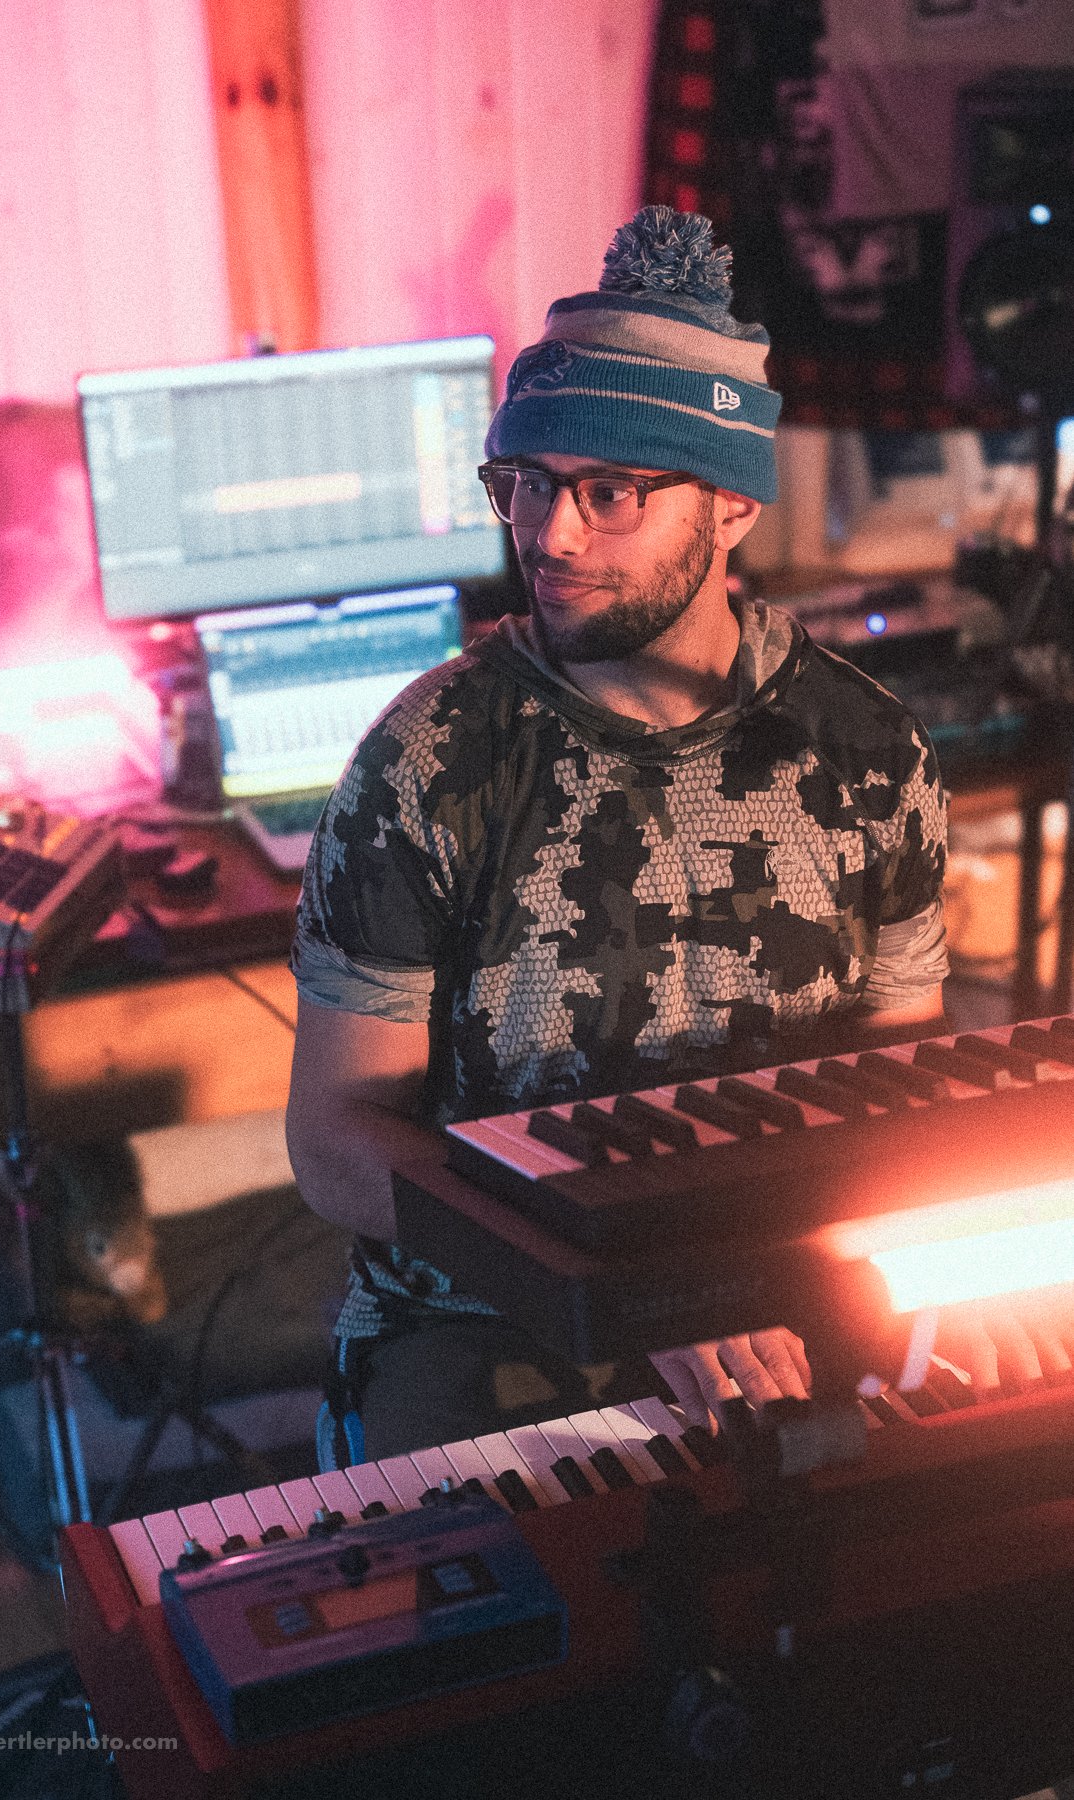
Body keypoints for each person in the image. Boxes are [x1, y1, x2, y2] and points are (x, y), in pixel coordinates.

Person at [286, 207, 951, 1468]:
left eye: (609, 492)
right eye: (525, 484)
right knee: (530, 1619)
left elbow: (883, 1102)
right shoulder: (429, 761)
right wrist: (643, 1292)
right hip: (483, 1306)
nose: (547, 535)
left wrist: (938, 1298)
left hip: (786, 1279)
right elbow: (334, 1144)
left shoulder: (867, 751)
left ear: (732, 508)